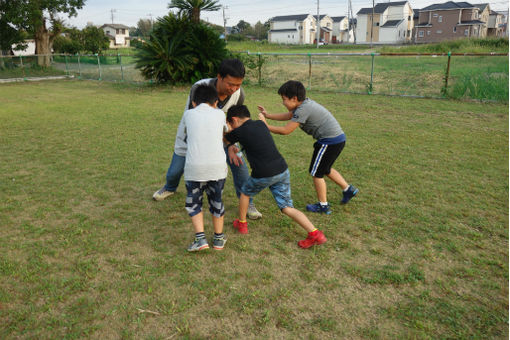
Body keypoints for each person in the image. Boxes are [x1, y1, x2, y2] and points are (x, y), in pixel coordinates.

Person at [152, 59, 262, 220]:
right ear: (219, 77)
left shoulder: (239, 94)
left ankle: (248, 201)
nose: (234, 89)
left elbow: (232, 121)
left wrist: (230, 144)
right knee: (176, 169)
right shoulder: (200, 88)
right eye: (230, 84)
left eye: (238, 85)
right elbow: (196, 118)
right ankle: (169, 187)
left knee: (239, 164)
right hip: (193, 135)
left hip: (222, 134)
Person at [225, 105, 327, 249]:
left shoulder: (239, 131)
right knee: (286, 207)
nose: (232, 127)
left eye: (231, 123)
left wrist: (228, 131)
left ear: (234, 120)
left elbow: (225, 137)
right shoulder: (260, 124)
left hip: (263, 173)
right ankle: (315, 233)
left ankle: (242, 224)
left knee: (245, 193)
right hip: (282, 169)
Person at [258, 80, 358, 215]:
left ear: (294, 98)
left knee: (316, 173)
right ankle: (348, 190)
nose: (283, 102)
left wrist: (264, 126)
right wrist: (268, 115)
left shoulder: (304, 109)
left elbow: (286, 130)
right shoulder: (303, 105)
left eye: (284, 99)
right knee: (325, 168)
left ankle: (323, 206)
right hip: (337, 139)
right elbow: (289, 116)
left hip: (329, 141)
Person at [181, 85, 228, 251]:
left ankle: (200, 239)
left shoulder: (188, 114)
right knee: (216, 202)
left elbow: (186, 134)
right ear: (216, 102)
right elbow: (225, 132)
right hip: (217, 168)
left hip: (194, 169)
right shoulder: (220, 114)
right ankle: (218, 239)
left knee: (194, 204)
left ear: (194, 103)